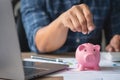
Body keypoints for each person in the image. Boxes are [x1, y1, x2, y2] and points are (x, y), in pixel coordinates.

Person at [20, 0, 120, 53]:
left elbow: (115, 37)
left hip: (92, 69)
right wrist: (62, 22)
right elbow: (40, 43)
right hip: (49, 65)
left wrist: (115, 44)